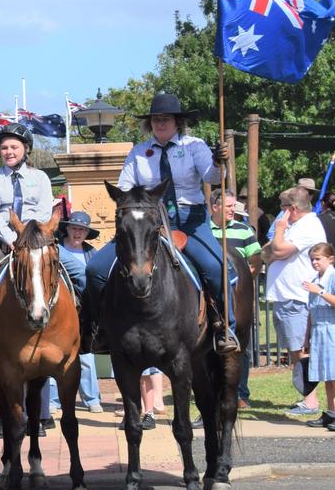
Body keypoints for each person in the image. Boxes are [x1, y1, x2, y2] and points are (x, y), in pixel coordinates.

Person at [83, 92, 239, 354]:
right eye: (156, 119)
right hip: (146, 225)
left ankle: (226, 327)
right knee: (95, 269)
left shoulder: (195, 146)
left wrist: (218, 161)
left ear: (178, 121)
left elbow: (212, 174)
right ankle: (99, 330)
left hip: (190, 220)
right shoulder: (138, 152)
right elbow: (124, 188)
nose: (160, 123)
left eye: (166, 118)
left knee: (214, 267)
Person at [262, 186, 327, 416]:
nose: (280, 214)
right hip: (285, 296)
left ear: (292, 209)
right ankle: (307, 397)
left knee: (300, 349)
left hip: (296, 298)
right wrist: (276, 247)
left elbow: (277, 250)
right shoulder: (296, 225)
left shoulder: (308, 226)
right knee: (294, 348)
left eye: (282, 208)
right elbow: (267, 252)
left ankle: (310, 401)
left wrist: (279, 231)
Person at [209, 189, 261, 407]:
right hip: (210, 298)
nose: (233, 210)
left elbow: (256, 260)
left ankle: (241, 393)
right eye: (229, 206)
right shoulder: (204, 231)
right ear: (215, 207)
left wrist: (242, 283)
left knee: (241, 346)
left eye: (233, 206)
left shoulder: (243, 230)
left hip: (238, 297)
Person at [301, 243, 335, 432]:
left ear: (330, 259)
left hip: (333, 330)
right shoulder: (315, 279)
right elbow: (311, 312)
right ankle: (331, 413)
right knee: (326, 375)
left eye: (318, 259)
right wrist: (306, 337)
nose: (314, 262)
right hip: (318, 331)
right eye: (312, 259)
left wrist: (320, 291)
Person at [57, 211, 103, 413]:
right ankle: (53, 401)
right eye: (74, 228)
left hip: (83, 312)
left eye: (82, 230)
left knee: (85, 355)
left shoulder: (92, 254)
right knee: (54, 355)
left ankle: (92, 398)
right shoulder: (54, 250)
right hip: (58, 311)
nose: (78, 233)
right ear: (66, 228)